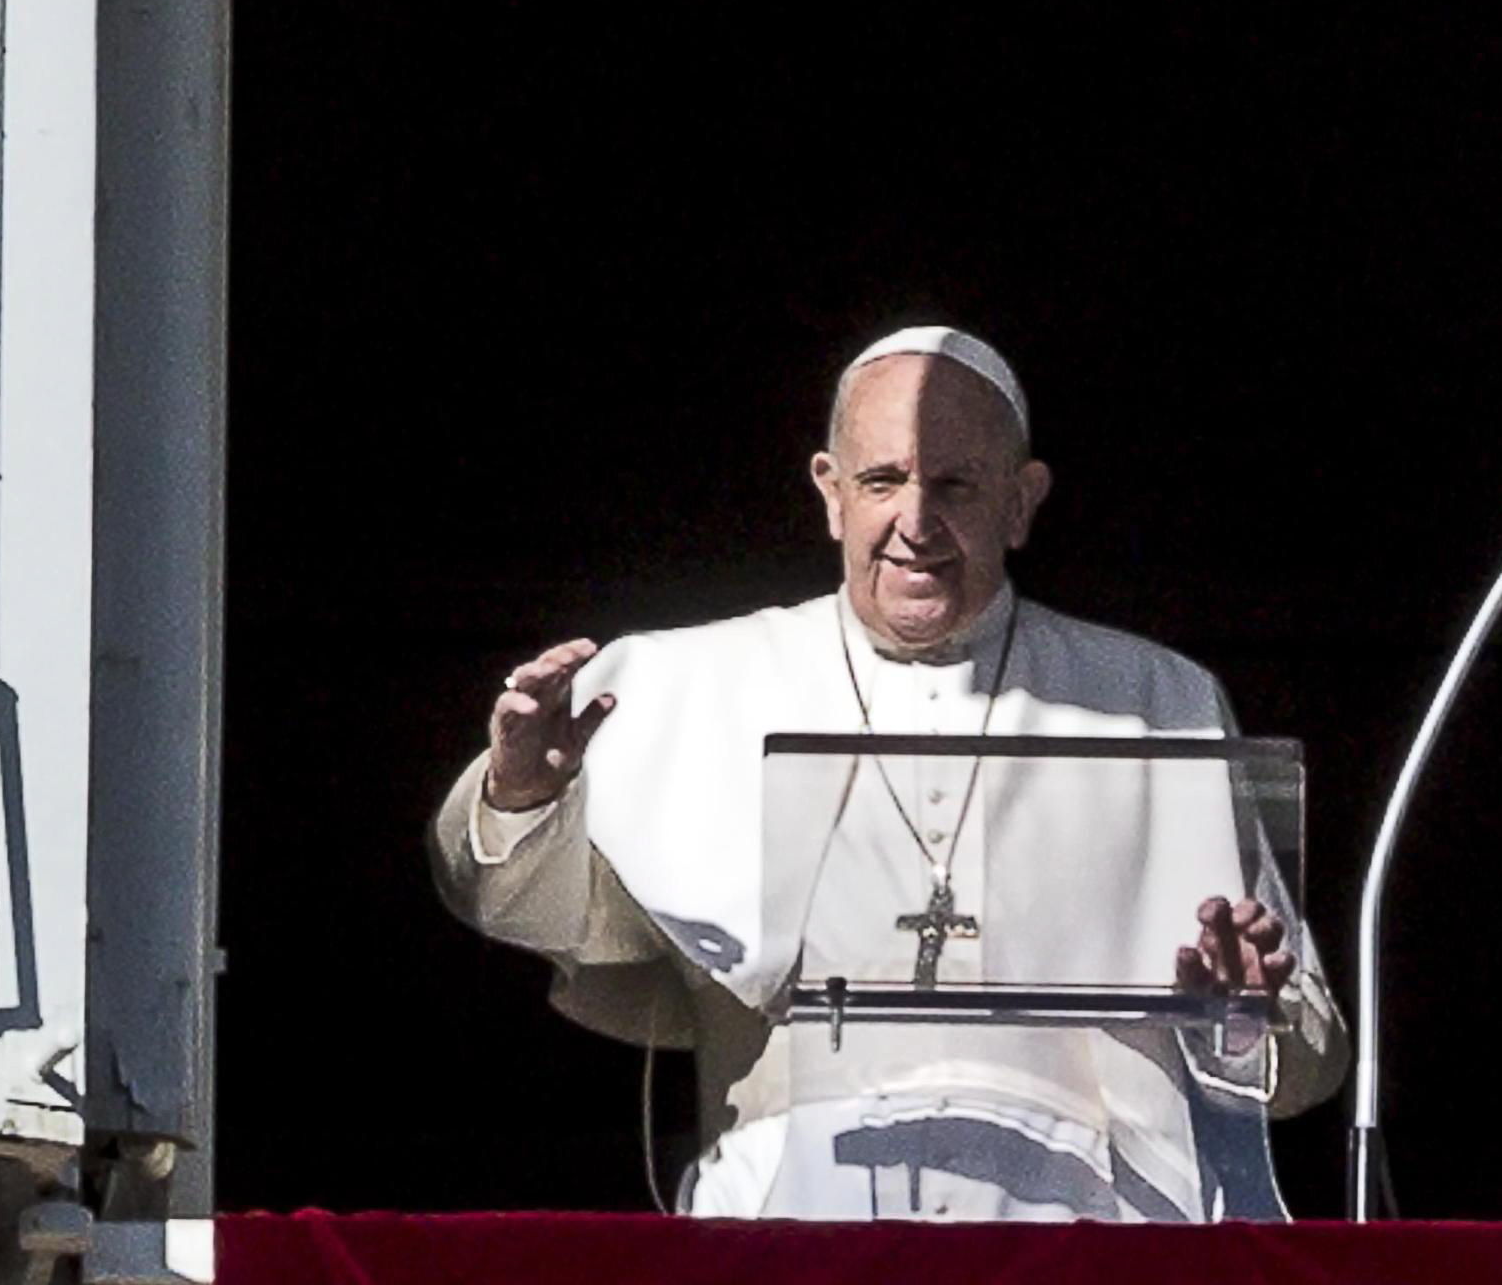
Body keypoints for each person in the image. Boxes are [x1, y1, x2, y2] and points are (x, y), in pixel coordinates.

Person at [430, 327, 1345, 1219]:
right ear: (830, 493)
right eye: (882, 481)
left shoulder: (1155, 698)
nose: (915, 521)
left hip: (1094, 1239)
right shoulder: (686, 684)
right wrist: (523, 799)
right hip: (793, 1237)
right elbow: (537, 917)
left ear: (1023, 501)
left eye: (955, 484)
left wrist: (1237, 1011)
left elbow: (1303, 1063)